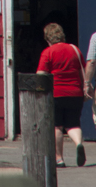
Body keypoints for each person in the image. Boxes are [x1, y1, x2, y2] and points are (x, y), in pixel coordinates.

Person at [37, 22, 86, 167]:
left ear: (48, 38)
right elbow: (81, 71)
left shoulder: (48, 52)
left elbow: (41, 75)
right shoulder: (74, 49)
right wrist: (84, 89)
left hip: (56, 93)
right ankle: (78, 144)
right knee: (73, 124)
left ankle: (59, 159)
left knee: (57, 126)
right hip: (75, 92)